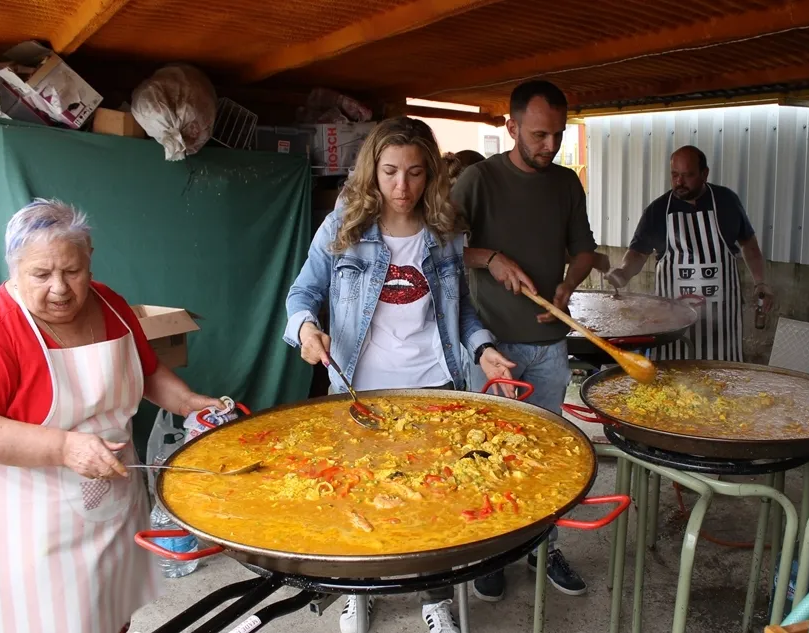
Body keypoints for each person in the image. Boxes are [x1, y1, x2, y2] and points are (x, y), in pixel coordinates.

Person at [283, 117, 516, 633]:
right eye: (389, 172)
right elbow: (303, 294)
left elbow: (462, 311)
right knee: (359, 492)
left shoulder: (445, 232)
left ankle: (435, 598)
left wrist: (482, 349)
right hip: (359, 389)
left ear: (430, 174)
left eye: (414, 173)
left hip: (434, 384)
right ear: (373, 170)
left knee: (436, 496)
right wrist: (305, 329)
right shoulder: (343, 225)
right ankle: (358, 591)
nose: (401, 186)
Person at [0, 199, 225, 633]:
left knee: (113, 614)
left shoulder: (110, 303)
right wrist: (63, 447)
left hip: (115, 504)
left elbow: (146, 370)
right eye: (41, 274)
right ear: (13, 268)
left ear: (89, 257)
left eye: (72, 271)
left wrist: (187, 402)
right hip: (40, 525)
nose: (60, 288)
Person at [450, 80, 598, 602]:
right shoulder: (478, 180)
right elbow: (440, 248)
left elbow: (584, 249)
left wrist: (568, 284)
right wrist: (490, 258)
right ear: (511, 127)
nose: (550, 146)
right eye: (539, 135)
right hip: (490, 346)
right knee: (487, 453)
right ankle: (490, 552)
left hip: (550, 344)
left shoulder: (565, 183)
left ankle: (543, 546)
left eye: (558, 134)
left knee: (548, 455)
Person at [604, 145, 774, 361]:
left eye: (688, 175)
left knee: (723, 374)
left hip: (722, 321)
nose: (679, 182)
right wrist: (624, 272)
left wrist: (761, 282)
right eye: (675, 175)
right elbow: (638, 253)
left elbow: (749, 245)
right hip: (673, 321)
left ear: (704, 173)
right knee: (674, 374)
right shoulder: (658, 210)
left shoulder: (727, 202)